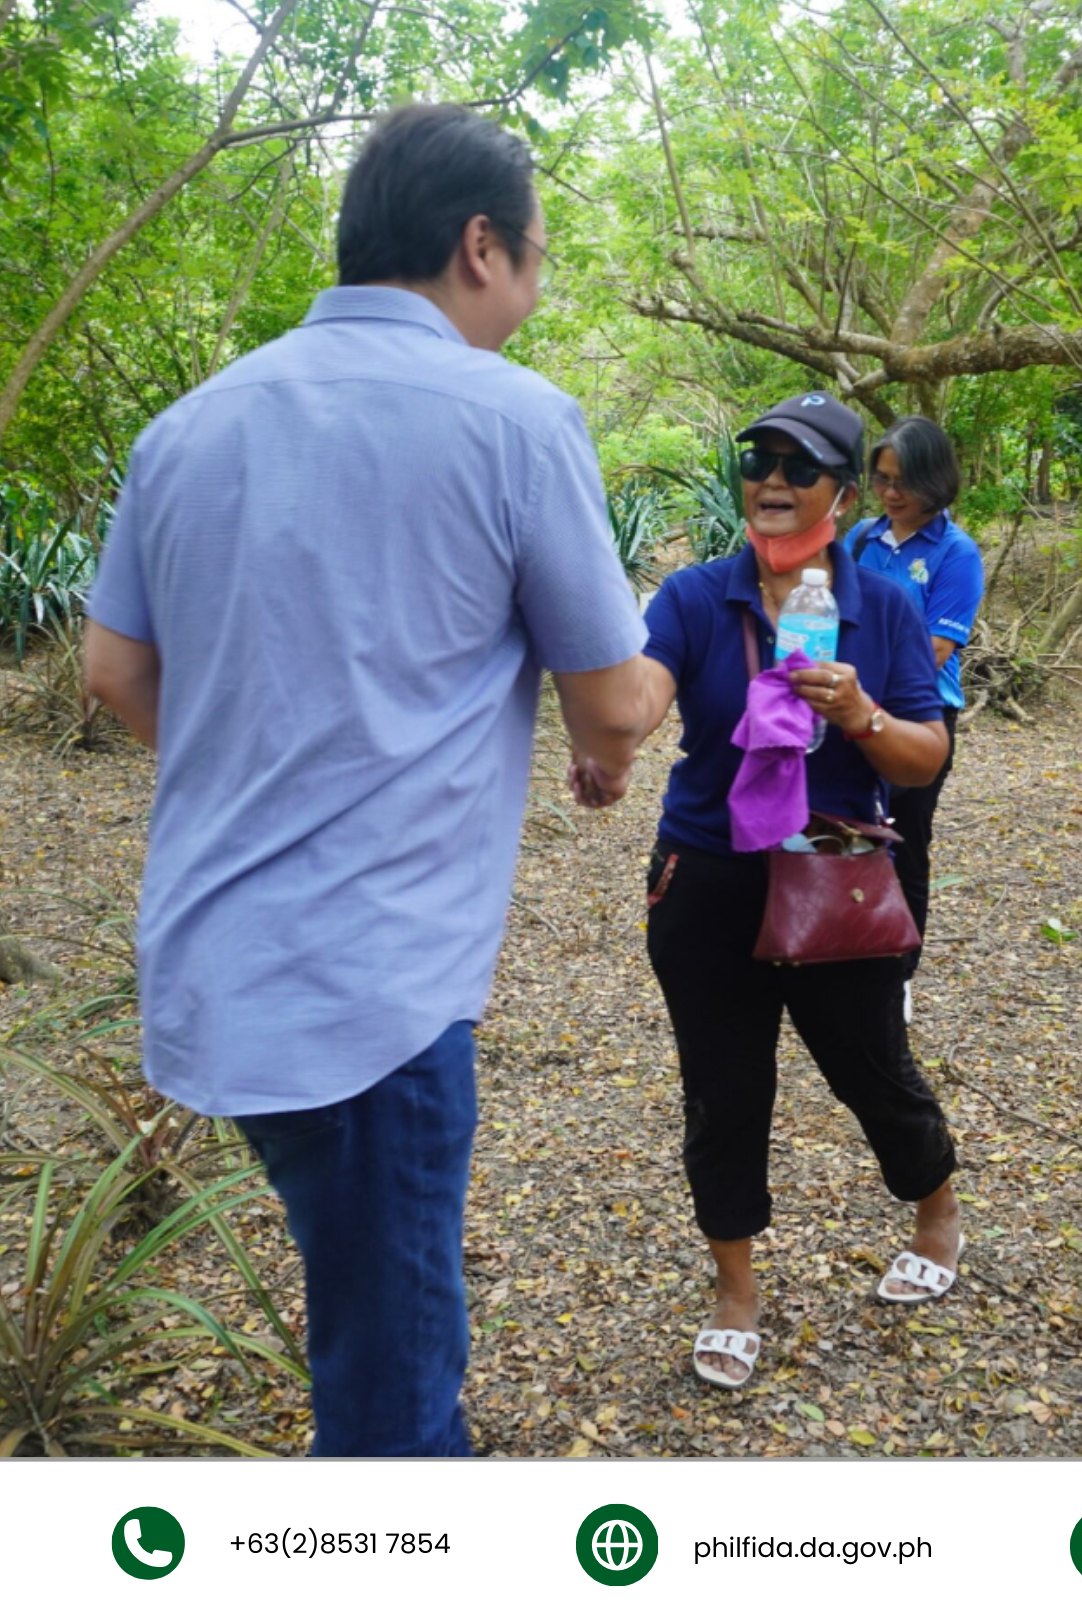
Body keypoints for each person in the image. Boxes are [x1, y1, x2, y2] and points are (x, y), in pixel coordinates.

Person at [83, 104, 652, 1456]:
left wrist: (254, 759)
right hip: (370, 998)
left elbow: (115, 673)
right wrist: (630, 720)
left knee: (362, 1306)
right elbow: (614, 700)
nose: (533, 285)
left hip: (215, 972)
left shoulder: (189, 426)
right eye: (536, 255)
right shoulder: (515, 420)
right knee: (394, 1391)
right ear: (478, 247)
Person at [581, 392, 961, 1390]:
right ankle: (736, 1290)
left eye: (801, 466)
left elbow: (925, 759)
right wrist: (612, 741)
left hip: (835, 868)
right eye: (760, 461)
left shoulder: (883, 604)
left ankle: (937, 1213)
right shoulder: (697, 596)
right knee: (724, 1088)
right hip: (709, 875)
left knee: (870, 1066)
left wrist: (865, 714)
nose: (774, 481)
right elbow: (645, 697)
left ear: (841, 488)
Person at [848, 418, 985, 1022]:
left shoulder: (956, 553)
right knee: (846, 832)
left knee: (905, 843)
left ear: (936, 479)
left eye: (904, 481)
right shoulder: (859, 540)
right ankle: (839, 947)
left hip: (919, 718)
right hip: (848, 713)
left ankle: (897, 972)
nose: (891, 493)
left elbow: (934, 649)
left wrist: (861, 682)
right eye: (881, 479)